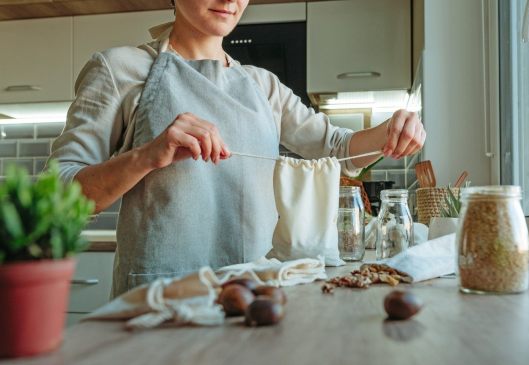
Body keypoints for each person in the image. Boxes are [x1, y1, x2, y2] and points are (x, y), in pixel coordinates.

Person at [49, 0, 426, 296]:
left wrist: (392, 130)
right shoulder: (118, 69)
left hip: (254, 296)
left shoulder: (263, 87)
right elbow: (58, 195)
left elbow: (339, 148)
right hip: (160, 300)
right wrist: (146, 156)